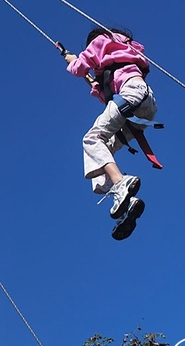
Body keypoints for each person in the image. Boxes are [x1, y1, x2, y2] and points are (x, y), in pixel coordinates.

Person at [64, 27, 158, 240]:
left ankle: (120, 183)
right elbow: (108, 98)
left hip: (131, 95)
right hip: (144, 106)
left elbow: (79, 67)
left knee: (91, 139)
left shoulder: (101, 41)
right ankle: (125, 203)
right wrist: (97, 83)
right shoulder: (124, 51)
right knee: (99, 159)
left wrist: (72, 60)